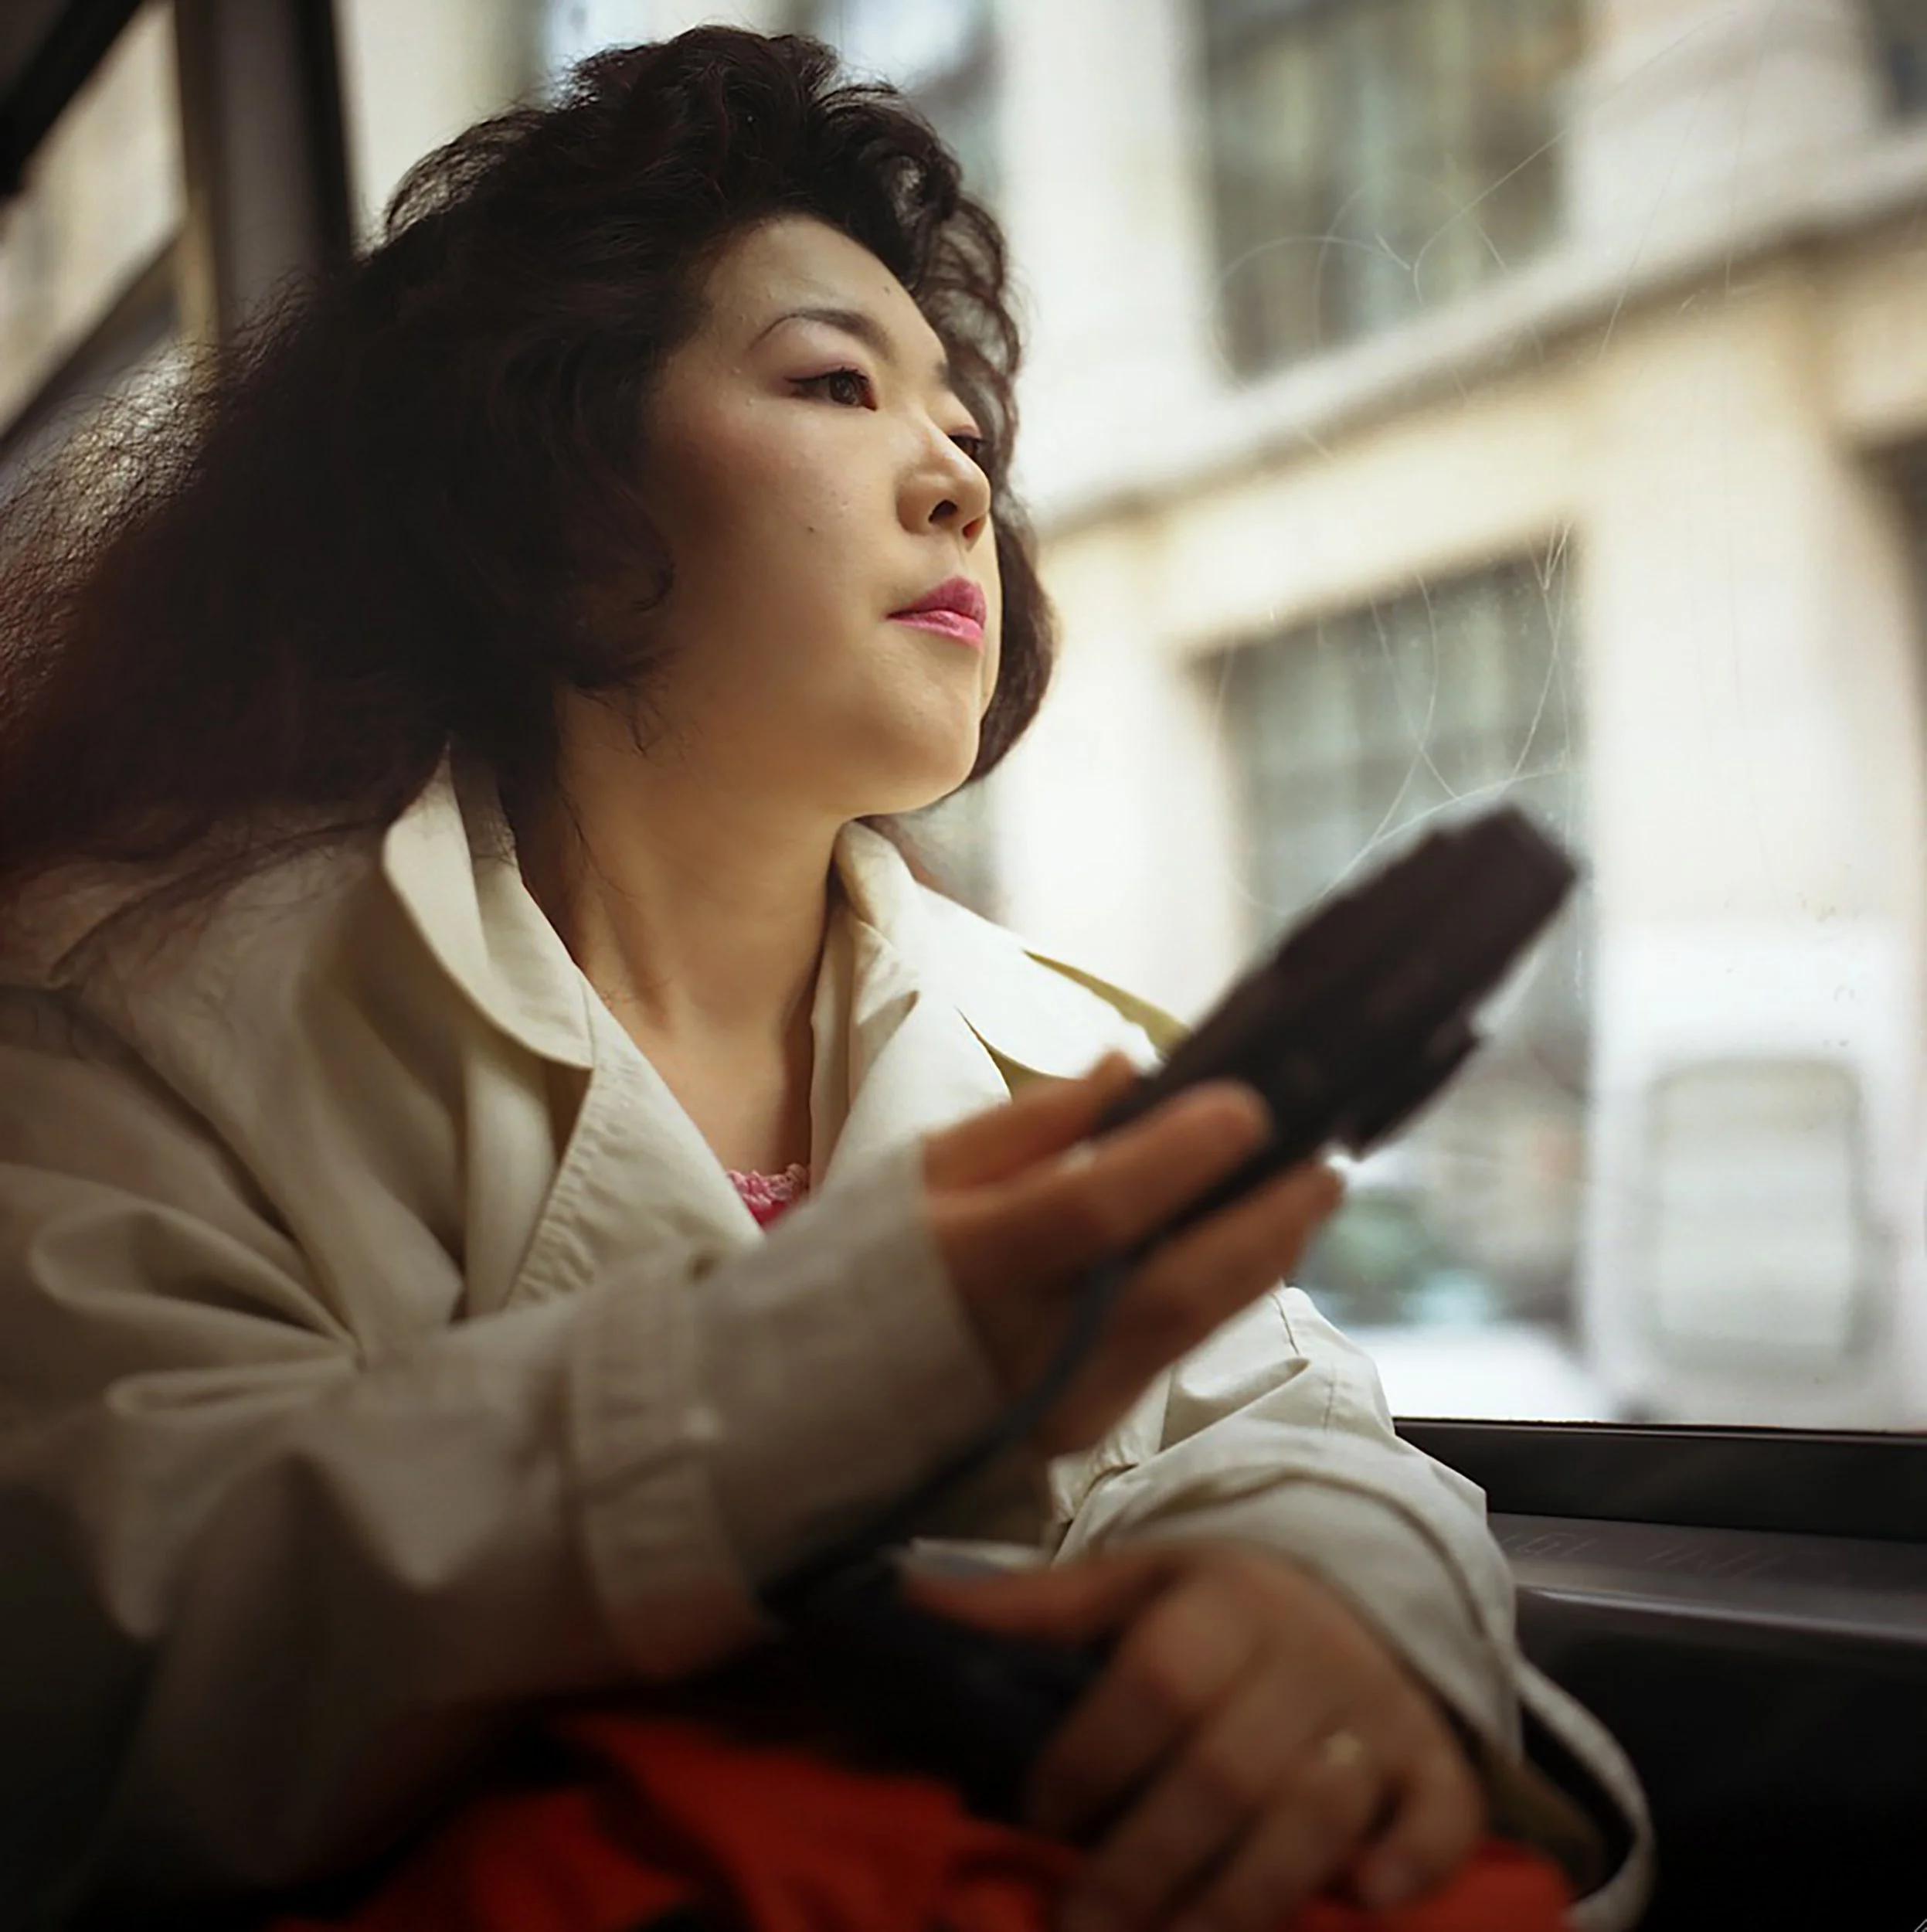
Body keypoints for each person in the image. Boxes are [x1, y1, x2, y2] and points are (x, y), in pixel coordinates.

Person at [0, 26, 1647, 1932]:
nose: (954, 478)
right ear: (545, 474)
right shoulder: (123, 1012)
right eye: (834, 383)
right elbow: (113, 1664)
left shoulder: (1058, 1039)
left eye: (964, 426)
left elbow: (1290, 1440)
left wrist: (1308, 1612)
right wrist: (865, 1349)